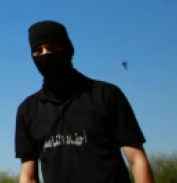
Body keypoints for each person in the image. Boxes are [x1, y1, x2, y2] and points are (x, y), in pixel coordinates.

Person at [14, 20, 154, 183]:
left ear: (67, 49)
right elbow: (28, 175)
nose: (45, 54)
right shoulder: (28, 110)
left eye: (51, 48)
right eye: (38, 51)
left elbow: (137, 160)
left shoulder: (106, 95)